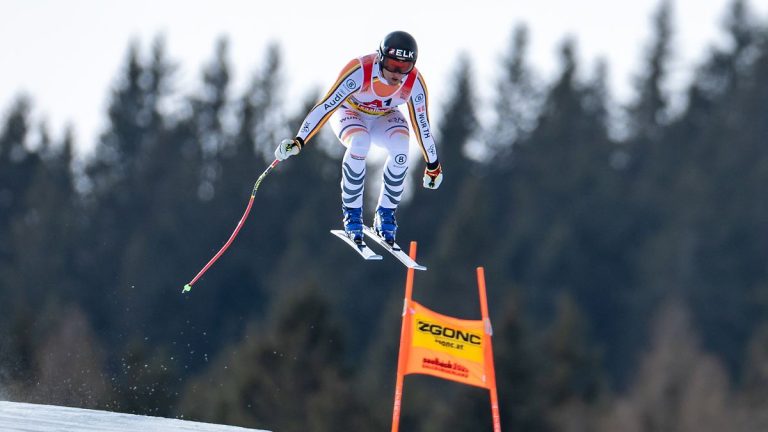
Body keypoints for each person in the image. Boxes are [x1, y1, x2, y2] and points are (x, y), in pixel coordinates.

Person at [274, 30, 442, 246]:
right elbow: (327, 105)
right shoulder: (360, 71)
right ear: (381, 58)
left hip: (384, 116)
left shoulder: (414, 83)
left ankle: (386, 215)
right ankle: (352, 214)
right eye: (392, 64)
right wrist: (299, 140)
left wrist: (433, 164)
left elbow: (422, 125)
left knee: (402, 148)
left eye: (404, 67)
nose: (397, 73)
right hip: (350, 112)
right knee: (360, 142)